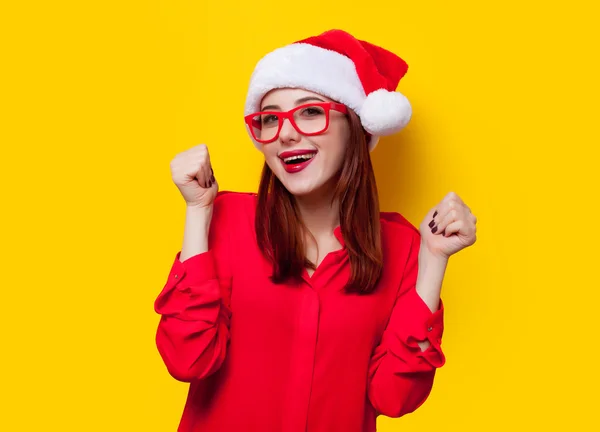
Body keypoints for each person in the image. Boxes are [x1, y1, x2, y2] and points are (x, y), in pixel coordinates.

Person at [153, 29, 477, 432]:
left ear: (355, 125)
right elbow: (188, 359)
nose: (286, 133)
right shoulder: (227, 219)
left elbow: (394, 398)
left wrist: (434, 261)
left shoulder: (405, 247)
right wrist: (197, 212)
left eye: (309, 111)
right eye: (269, 119)